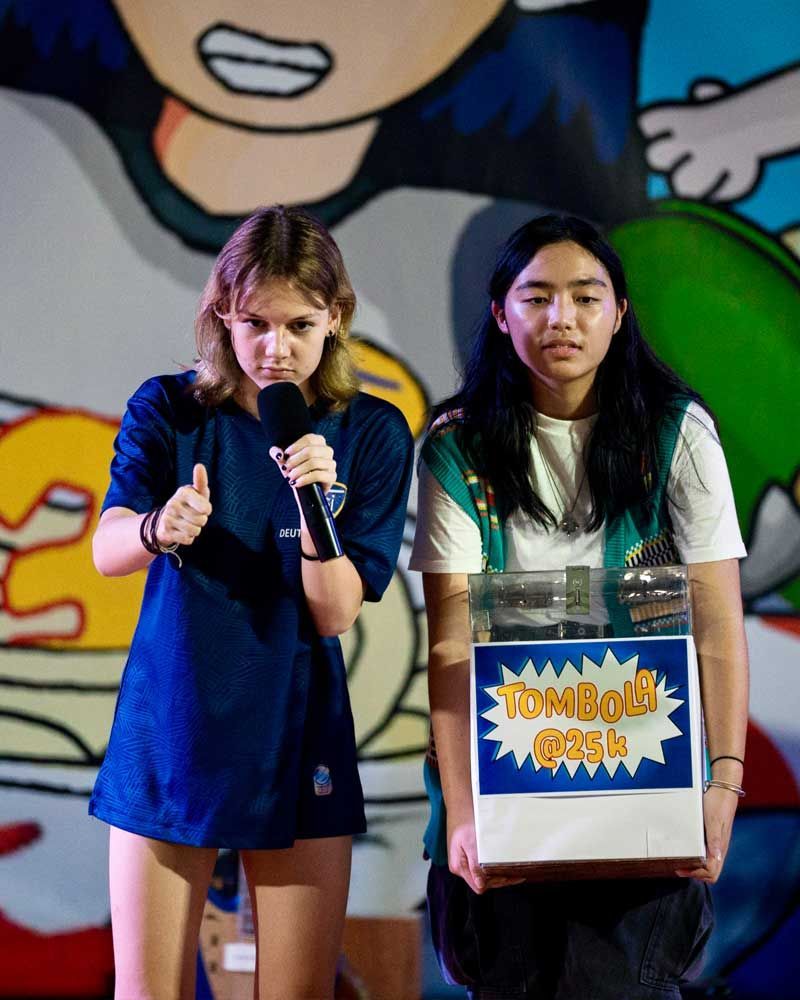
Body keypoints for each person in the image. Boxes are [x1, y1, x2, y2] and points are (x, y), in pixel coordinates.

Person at [410, 214, 748, 999]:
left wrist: (723, 784)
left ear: (620, 312)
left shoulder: (677, 432)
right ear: (501, 314)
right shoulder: (458, 445)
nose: (561, 318)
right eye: (536, 298)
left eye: (586, 297)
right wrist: (463, 813)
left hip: (647, 792)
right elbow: (451, 642)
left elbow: (718, 623)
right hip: (504, 794)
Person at [89, 205, 414, 1000]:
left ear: (335, 318)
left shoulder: (370, 431)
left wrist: (315, 502)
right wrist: (161, 526)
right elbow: (107, 549)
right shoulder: (169, 408)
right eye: (255, 324)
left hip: (297, 726)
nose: (277, 348)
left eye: (300, 324)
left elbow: (335, 613)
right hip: (175, 721)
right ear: (221, 317)